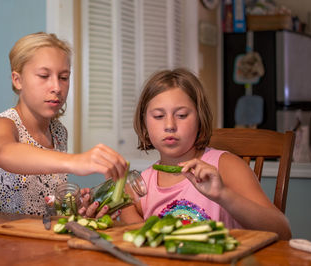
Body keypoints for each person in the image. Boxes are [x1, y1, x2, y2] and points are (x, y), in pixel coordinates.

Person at [120, 68, 292, 240]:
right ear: (144, 123)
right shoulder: (141, 185)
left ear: (200, 119)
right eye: (158, 116)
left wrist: (223, 195)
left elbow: (283, 231)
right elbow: (137, 231)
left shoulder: (226, 166)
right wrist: (124, 211)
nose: (170, 125)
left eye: (181, 115)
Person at [0, 32, 127, 216]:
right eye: (44, 75)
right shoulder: (2, 125)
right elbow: (5, 153)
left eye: (63, 77)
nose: (56, 87)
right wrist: (75, 160)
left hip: (38, 237)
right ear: (18, 80)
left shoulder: (58, 132)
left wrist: (75, 204)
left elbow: (43, 201)